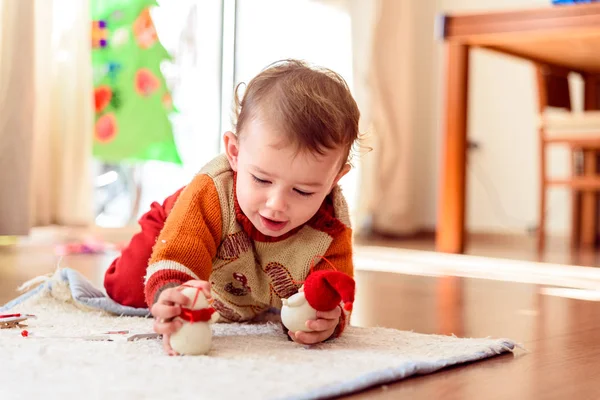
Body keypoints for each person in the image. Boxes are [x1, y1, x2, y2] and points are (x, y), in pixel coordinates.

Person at [103, 59, 361, 355]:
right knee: (127, 288)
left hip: (247, 276)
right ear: (235, 153)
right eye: (262, 179)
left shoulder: (331, 226)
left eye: (303, 191)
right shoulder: (213, 191)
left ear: (334, 181)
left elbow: (337, 286)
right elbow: (181, 253)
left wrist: (329, 317)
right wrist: (172, 296)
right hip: (179, 225)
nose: (276, 205)